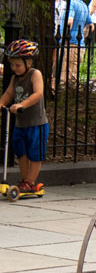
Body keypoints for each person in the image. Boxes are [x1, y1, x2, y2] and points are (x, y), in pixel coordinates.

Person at [0, 40, 48, 196]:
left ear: (28, 61)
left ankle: (31, 182)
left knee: (35, 153)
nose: (14, 68)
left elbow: (38, 93)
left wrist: (22, 105)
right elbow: (9, 94)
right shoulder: (15, 79)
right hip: (21, 123)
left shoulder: (35, 74)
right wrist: (1, 103)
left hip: (36, 123)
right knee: (21, 151)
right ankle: (25, 180)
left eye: (17, 65)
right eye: (12, 65)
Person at [57, 0, 90, 86]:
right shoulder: (83, 5)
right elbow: (90, 25)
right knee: (73, 77)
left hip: (70, 44)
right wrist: (81, 36)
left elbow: (69, 21)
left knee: (65, 80)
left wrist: (65, 39)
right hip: (80, 45)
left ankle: (64, 100)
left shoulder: (70, 3)